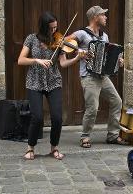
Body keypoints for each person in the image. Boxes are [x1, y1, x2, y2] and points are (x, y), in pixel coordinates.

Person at [18, 11, 84, 160]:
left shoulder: (58, 41)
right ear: (43, 27)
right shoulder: (31, 39)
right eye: (51, 28)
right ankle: (30, 148)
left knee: (57, 117)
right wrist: (37, 60)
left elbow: (63, 63)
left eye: (55, 27)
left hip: (53, 81)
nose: (54, 31)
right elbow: (20, 60)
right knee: (37, 117)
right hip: (34, 81)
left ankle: (54, 148)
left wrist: (77, 58)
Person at [66, 6, 127, 148]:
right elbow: (65, 41)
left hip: (103, 76)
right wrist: (79, 50)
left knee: (117, 101)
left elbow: (108, 56)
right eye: (103, 15)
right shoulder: (82, 34)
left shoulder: (104, 36)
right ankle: (85, 136)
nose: (106, 17)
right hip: (89, 77)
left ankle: (112, 135)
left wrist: (118, 61)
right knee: (92, 108)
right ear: (95, 17)